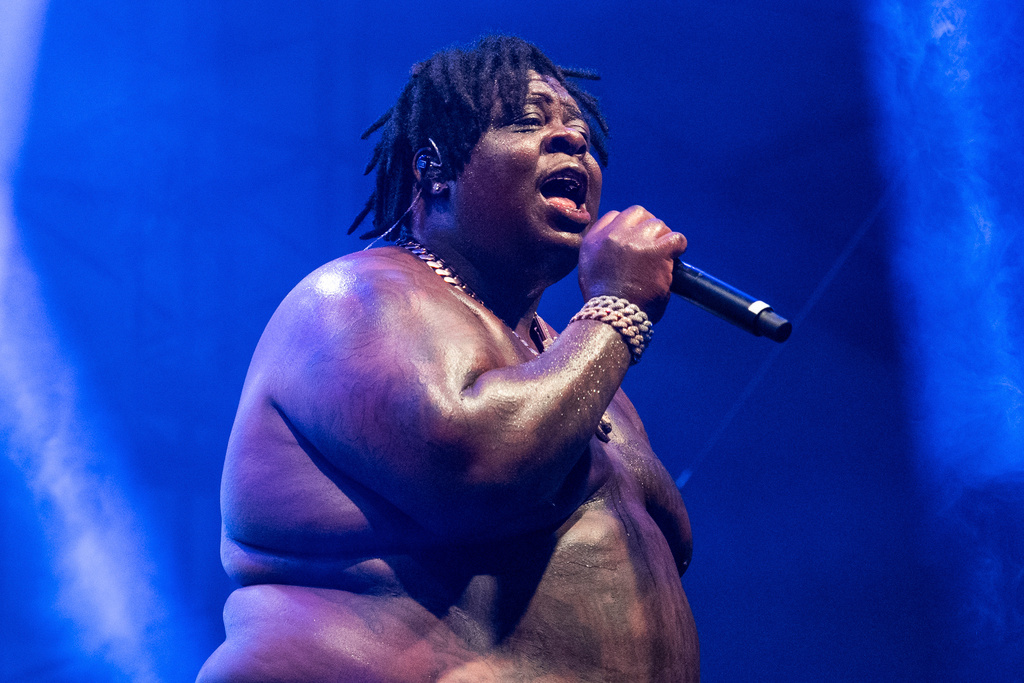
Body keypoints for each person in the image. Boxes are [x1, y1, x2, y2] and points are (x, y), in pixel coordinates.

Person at [198, 35, 698, 682]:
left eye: (580, 130)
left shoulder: (570, 359)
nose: (573, 140)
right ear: (434, 168)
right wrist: (618, 308)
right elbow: (480, 467)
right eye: (528, 121)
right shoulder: (355, 300)